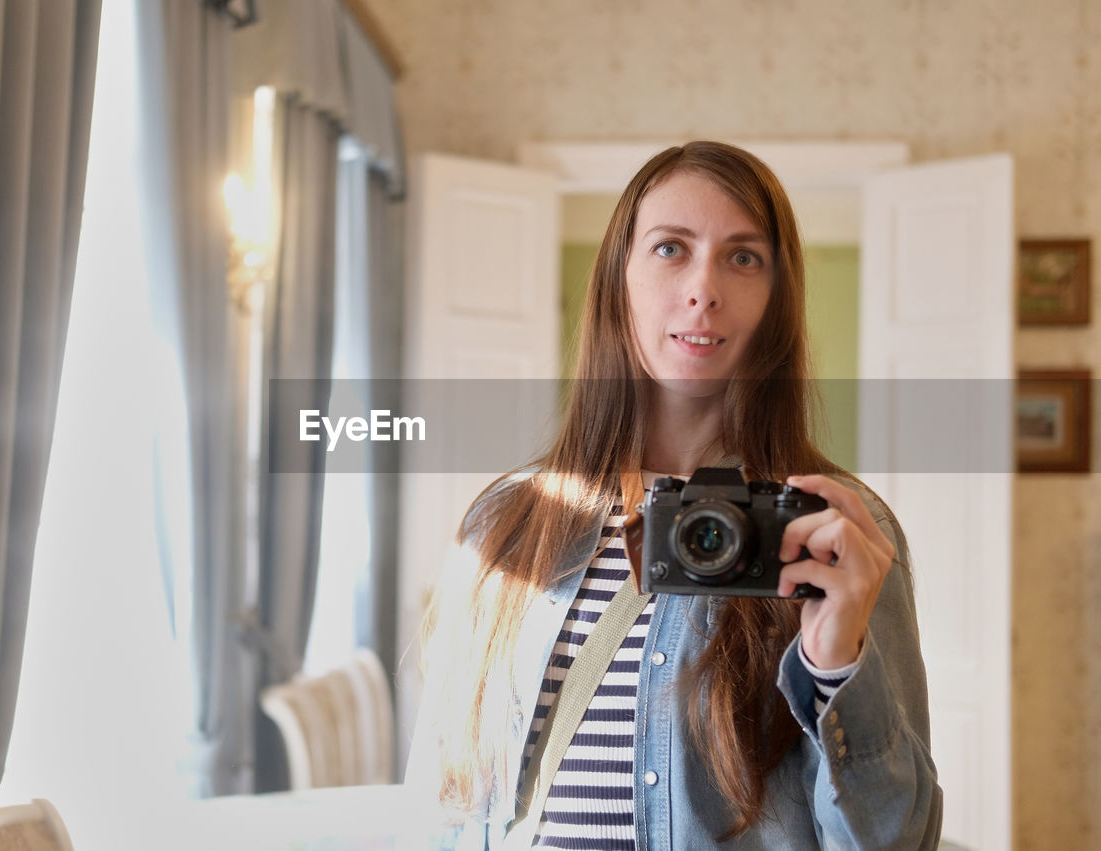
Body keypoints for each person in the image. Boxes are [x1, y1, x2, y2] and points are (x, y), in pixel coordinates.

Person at [402, 141, 942, 850]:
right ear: (616, 280)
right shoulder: (504, 527)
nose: (703, 288)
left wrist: (839, 666)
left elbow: (897, 841)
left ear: (777, 299)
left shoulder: (835, 531)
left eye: (743, 256)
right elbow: (442, 804)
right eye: (669, 249)